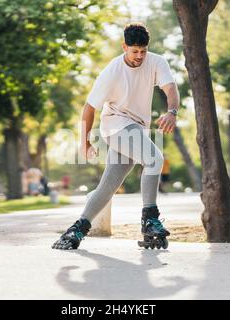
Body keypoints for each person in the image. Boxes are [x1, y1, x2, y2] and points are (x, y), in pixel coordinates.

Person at [52, 23, 179, 250]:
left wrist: (172, 112)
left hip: (137, 128)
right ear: (124, 47)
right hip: (115, 125)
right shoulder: (111, 72)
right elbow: (89, 108)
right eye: (134, 51)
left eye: (143, 51)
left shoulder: (157, 62)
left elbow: (170, 89)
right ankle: (150, 218)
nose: (140, 56)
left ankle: (76, 230)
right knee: (154, 158)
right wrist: (85, 143)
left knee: (108, 186)